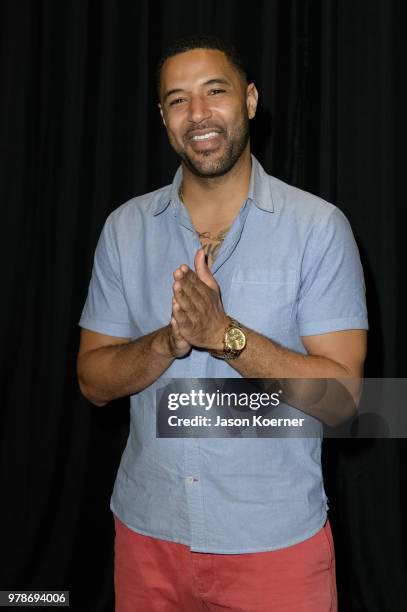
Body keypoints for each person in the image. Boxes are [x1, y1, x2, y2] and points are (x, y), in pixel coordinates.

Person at [77, 35, 368, 612]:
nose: (199, 114)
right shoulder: (124, 228)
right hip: (146, 539)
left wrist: (225, 337)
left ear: (251, 99)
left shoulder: (318, 227)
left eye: (216, 92)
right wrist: (168, 342)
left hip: (274, 550)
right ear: (162, 118)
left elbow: (345, 401)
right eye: (178, 100)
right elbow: (93, 382)